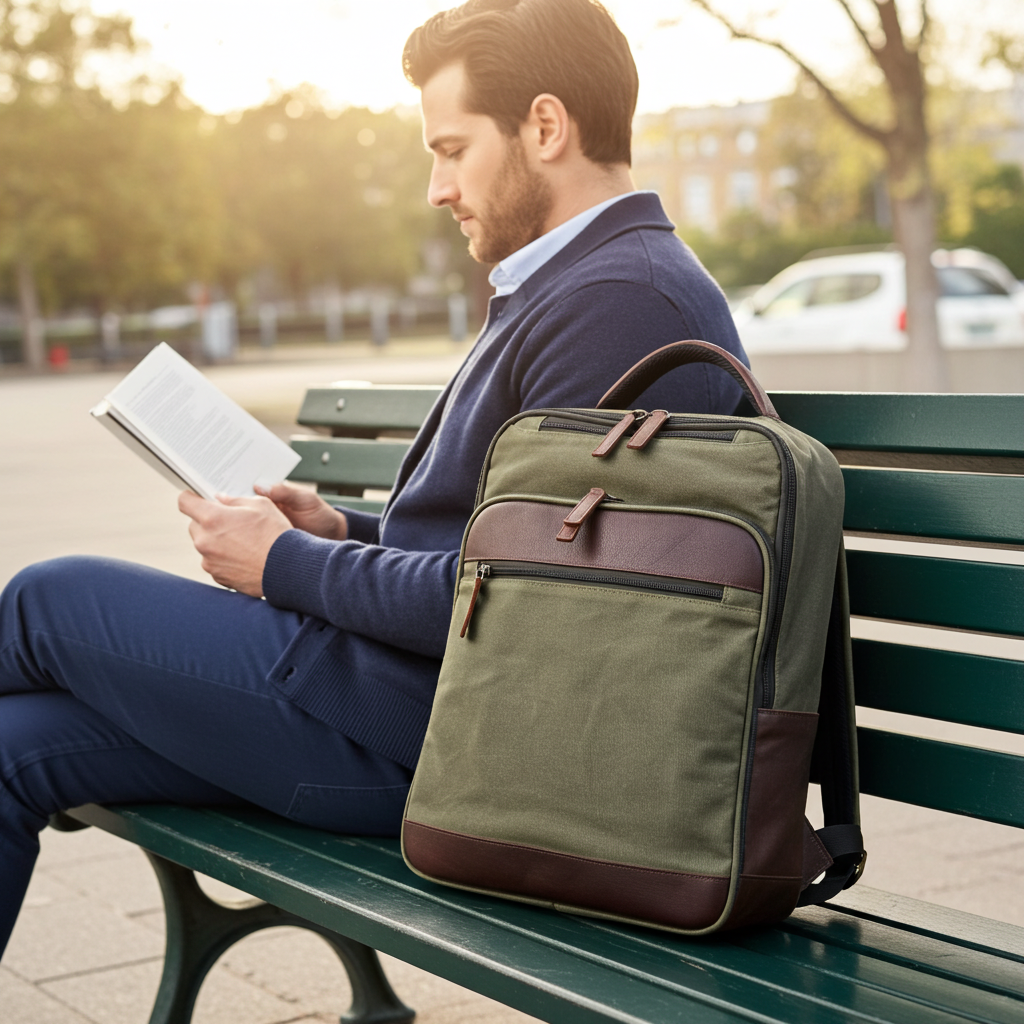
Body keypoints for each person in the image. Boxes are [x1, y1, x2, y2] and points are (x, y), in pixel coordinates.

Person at [0, 0, 747, 956]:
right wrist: (338, 531)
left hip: (435, 747)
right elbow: (505, 541)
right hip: (401, 708)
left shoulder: (621, 303)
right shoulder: (580, 283)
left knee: (45, 600)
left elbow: (531, 608)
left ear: (546, 127)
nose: (436, 188)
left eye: (451, 149)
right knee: (17, 745)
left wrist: (283, 566)